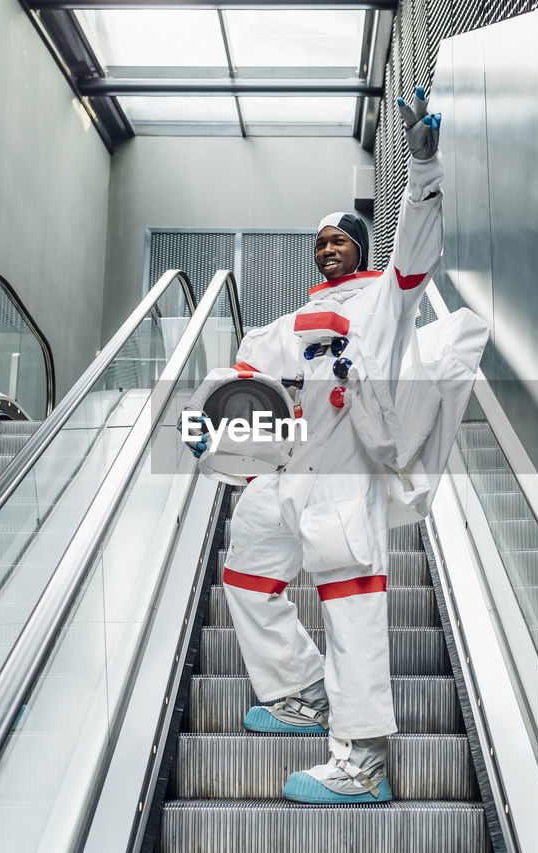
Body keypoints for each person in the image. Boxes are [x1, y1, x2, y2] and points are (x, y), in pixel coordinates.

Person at [184, 88, 453, 804]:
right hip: (286, 471)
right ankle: (300, 687)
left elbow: (417, 251)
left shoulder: (382, 299)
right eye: (320, 243)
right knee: (245, 569)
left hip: (345, 472)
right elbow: (245, 376)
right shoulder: (290, 319)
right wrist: (221, 432)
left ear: (359, 249)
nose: (327, 248)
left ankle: (361, 758)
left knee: (349, 598)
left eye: (338, 239)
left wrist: (421, 172)